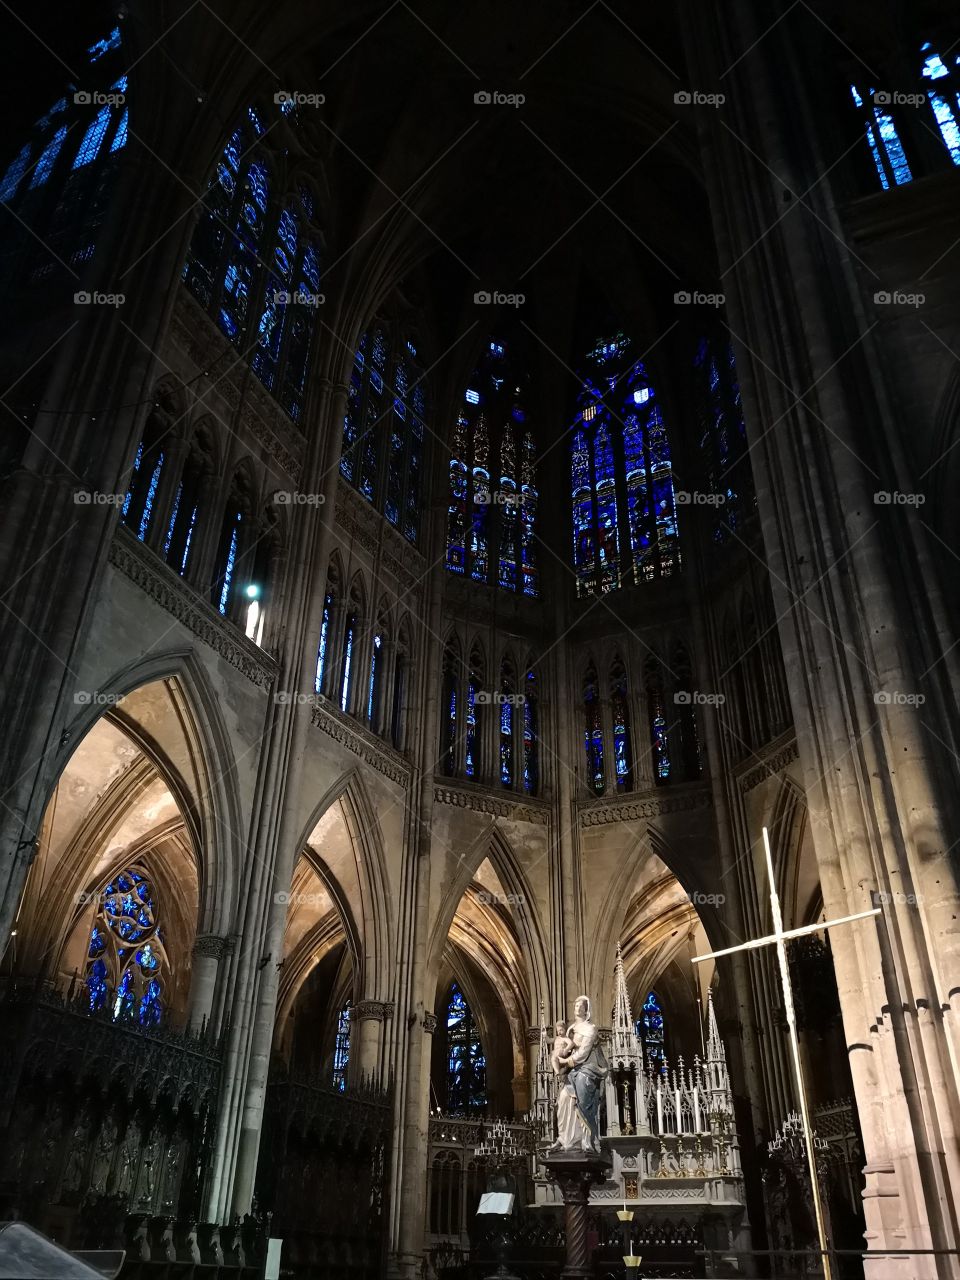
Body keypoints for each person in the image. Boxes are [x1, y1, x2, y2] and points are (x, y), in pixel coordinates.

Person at [557, 995, 609, 1152]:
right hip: (573, 1071)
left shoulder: (590, 1029)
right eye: (575, 1005)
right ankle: (566, 1139)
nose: (577, 1008)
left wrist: (565, 1061)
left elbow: (583, 1053)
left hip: (587, 1069)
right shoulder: (571, 1029)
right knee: (563, 1098)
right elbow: (567, 1048)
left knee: (583, 1102)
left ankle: (587, 1140)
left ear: (587, 1010)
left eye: (581, 1006)